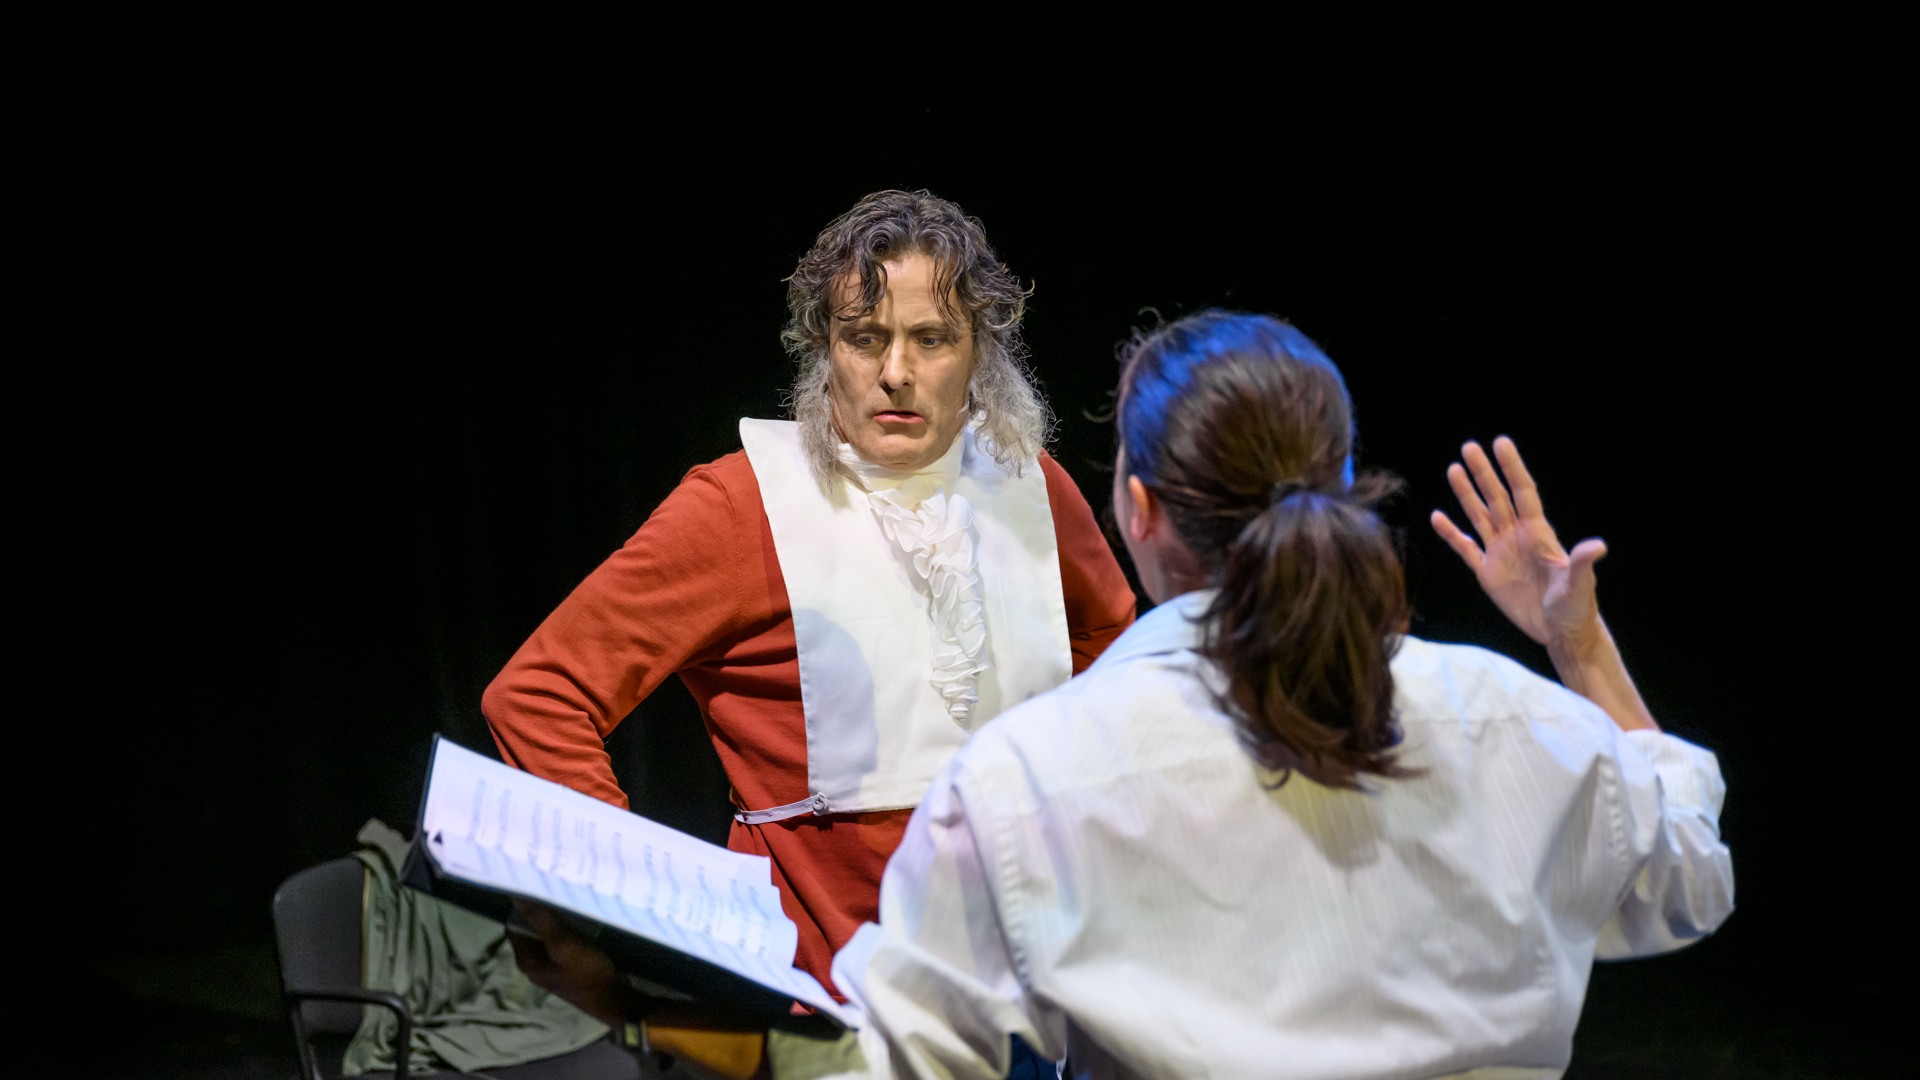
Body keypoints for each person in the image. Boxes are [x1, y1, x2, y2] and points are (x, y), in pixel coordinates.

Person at [752, 309, 1735, 1079]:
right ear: (1339, 486)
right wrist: (1581, 648)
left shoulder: (1027, 782)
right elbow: (1691, 882)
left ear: (1138, 508)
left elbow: (892, 1062)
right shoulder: (1520, 723)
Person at [482, 189, 1138, 1064]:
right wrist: (631, 914)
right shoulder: (744, 505)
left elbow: (1115, 663)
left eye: (931, 339)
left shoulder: (1031, 486)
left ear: (978, 352)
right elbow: (540, 694)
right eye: (865, 338)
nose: (896, 371)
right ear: (825, 346)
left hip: (1026, 999)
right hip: (819, 1020)